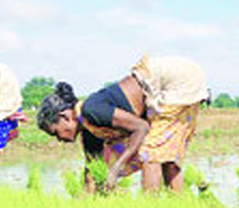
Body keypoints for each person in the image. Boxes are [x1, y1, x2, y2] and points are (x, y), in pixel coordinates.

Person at [37, 55, 208, 192]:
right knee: (165, 157)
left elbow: (141, 127)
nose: (59, 139)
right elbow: (91, 170)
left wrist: (117, 167)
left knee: (151, 154)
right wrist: (86, 202)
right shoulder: (89, 130)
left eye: (55, 132)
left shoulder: (91, 110)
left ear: (65, 116)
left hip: (176, 81)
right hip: (172, 83)